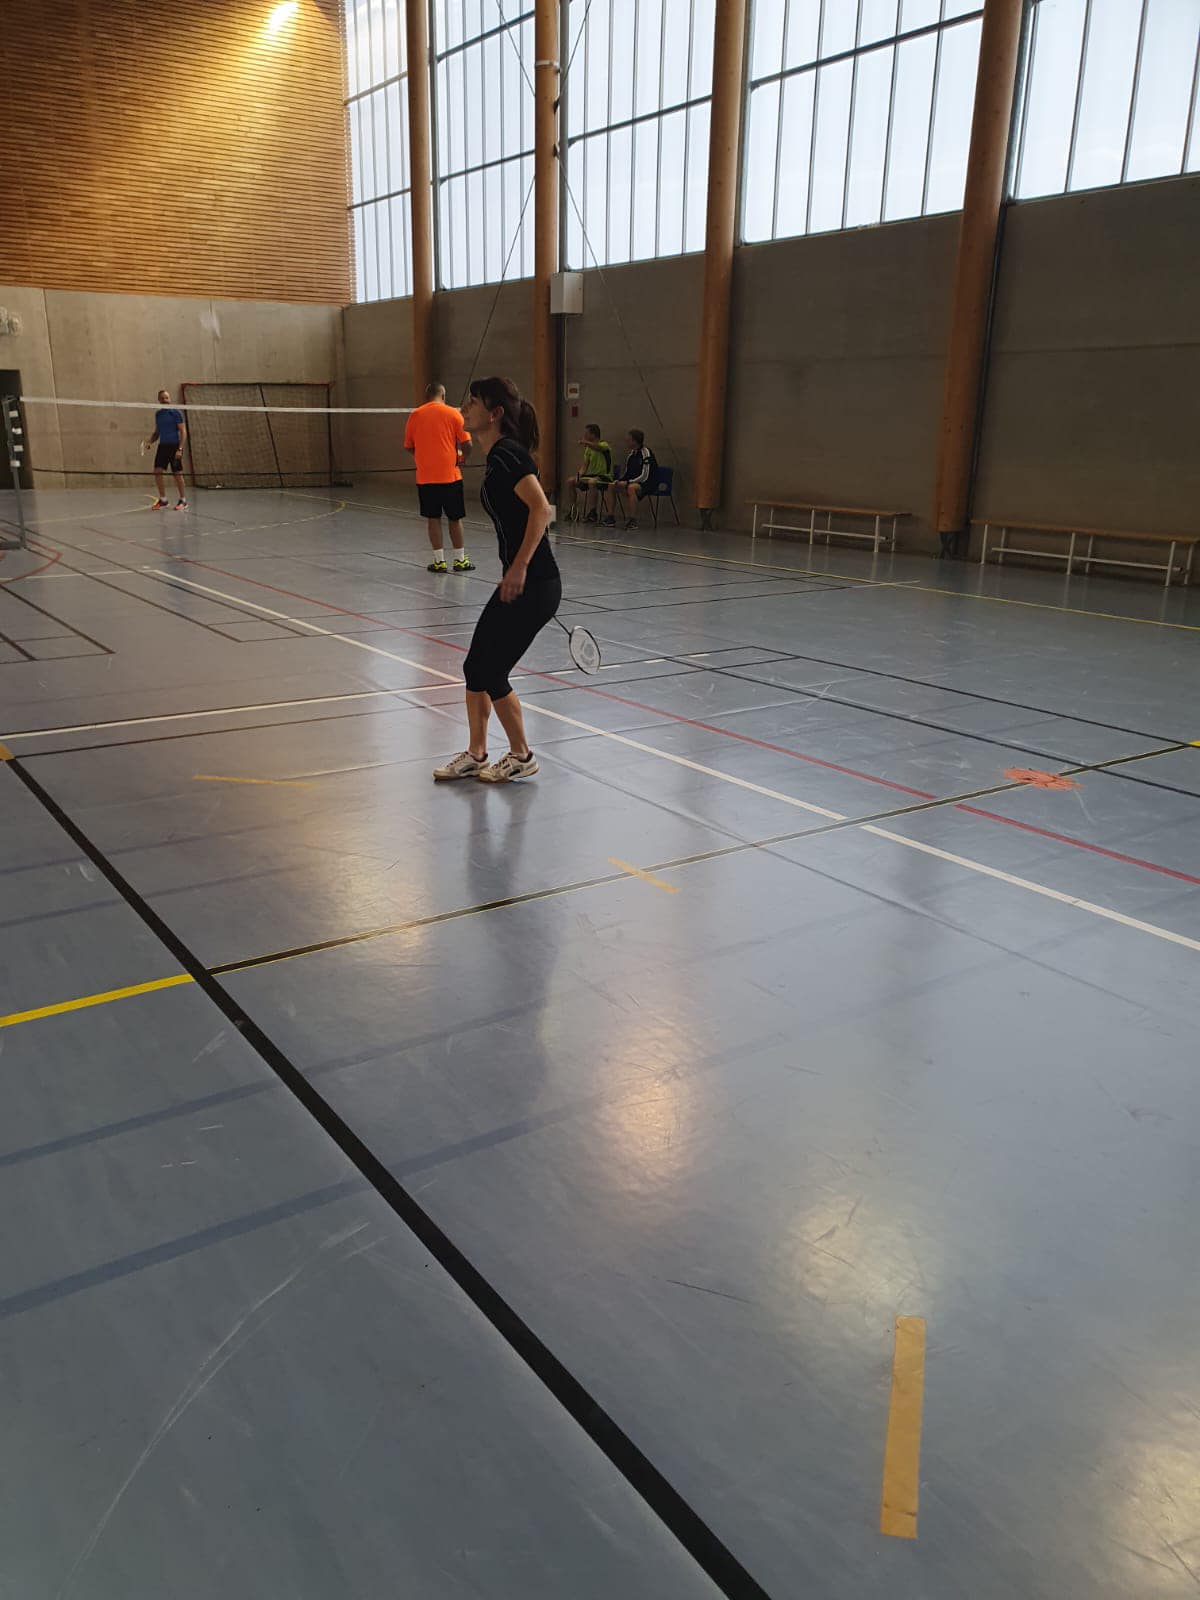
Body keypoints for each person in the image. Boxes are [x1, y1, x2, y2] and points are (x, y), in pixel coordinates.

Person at [432, 376, 559, 785]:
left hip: (534, 583)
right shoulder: (497, 456)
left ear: (495, 413)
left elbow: (542, 509)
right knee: (475, 666)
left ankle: (522, 755)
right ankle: (476, 753)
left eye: (473, 402)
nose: (464, 408)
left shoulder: (508, 455)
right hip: (520, 581)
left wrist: (519, 567)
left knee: (492, 671)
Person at [404, 382, 473, 572]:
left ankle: (439, 561)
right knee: (455, 518)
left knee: (432, 518)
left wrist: (423, 457)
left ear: (427, 396)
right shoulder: (453, 413)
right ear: (443, 395)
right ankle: (460, 560)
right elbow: (467, 444)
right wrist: (462, 458)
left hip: (425, 478)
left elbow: (408, 446)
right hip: (451, 477)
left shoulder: (415, 415)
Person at [602, 429, 655, 529]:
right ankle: (610, 518)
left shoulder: (646, 452)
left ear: (635, 441)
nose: (626, 441)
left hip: (647, 483)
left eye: (629, 440)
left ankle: (633, 520)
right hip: (633, 482)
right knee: (611, 486)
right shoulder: (631, 455)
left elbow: (645, 475)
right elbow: (627, 473)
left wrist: (627, 482)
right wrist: (620, 481)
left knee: (631, 488)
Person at [145, 389, 188, 510]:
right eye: (162, 398)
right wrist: (150, 441)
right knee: (157, 471)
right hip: (162, 446)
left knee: (177, 473)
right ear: (159, 400)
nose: (165, 400)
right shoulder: (158, 415)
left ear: (170, 399)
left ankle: (183, 500)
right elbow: (157, 432)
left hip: (174, 446)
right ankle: (163, 500)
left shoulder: (176, 413)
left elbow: (183, 431)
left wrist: (180, 448)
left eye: (167, 398)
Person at [563, 423, 612, 522]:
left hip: (604, 476)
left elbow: (597, 447)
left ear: (593, 435)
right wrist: (578, 476)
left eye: (587, 433)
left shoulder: (604, 445)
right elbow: (584, 466)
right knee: (570, 481)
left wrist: (585, 442)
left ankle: (593, 513)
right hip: (591, 475)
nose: (584, 435)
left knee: (592, 482)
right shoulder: (588, 449)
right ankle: (573, 511)